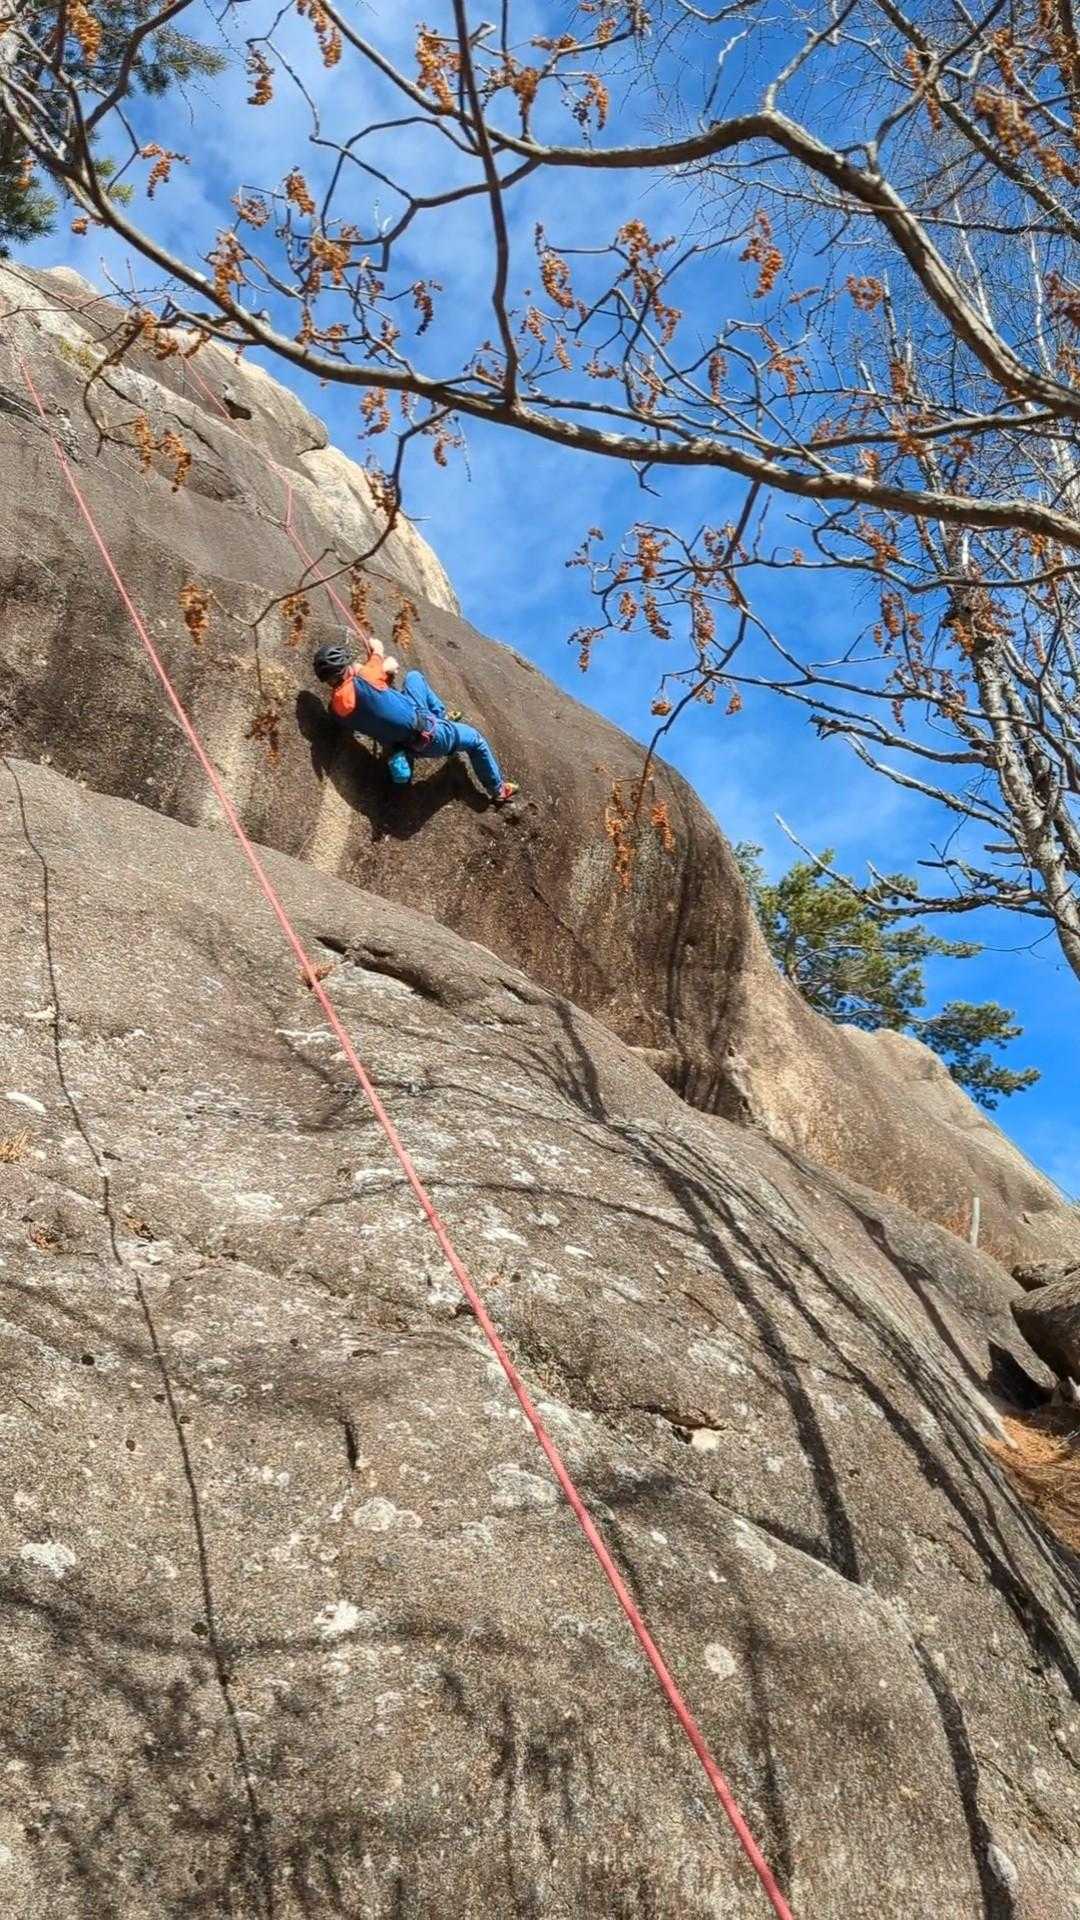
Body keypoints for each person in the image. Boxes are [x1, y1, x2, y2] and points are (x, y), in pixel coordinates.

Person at [313, 641, 519, 804]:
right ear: (346, 667)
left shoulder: (337, 708)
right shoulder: (366, 677)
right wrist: (375, 651)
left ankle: (439, 716)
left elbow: (360, 697)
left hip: (400, 743)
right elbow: (386, 658)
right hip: (432, 736)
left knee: (414, 678)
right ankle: (498, 790)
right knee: (476, 741)